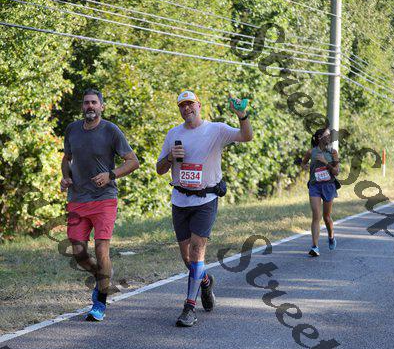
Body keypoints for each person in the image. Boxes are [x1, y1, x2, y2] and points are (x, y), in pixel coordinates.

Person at [157, 90, 253, 327]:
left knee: (197, 251)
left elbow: (246, 136)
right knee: (187, 259)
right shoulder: (173, 134)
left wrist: (242, 115)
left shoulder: (216, 130)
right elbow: (159, 169)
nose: (187, 108)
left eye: (190, 104)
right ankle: (206, 282)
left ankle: (189, 307)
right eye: (182, 105)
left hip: (205, 199)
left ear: (199, 106)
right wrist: (169, 158)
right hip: (180, 200)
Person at [60, 89, 139, 321]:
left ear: (101, 107)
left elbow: (133, 161)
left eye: (94, 102)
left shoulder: (111, 130)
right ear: (82, 107)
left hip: (104, 198)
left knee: (101, 248)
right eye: (86, 103)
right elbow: (67, 158)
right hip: (77, 199)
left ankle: (100, 303)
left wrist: (110, 175)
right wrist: (66, 177)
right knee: (78, 252)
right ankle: (102, 276)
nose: (90, 106)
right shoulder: (72, 129)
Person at [301, 128, 340, 257]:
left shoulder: (333, 152)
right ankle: (315, 246)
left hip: (328, 186)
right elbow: (303, 163)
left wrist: (325, 162)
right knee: (316, 216)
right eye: (327, 135)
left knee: (326, 217)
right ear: (319, 138)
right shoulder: (311, 152)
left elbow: (336, 172)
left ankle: (331, 236)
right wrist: (305, 166)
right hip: (315, 186)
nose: (329, 137)